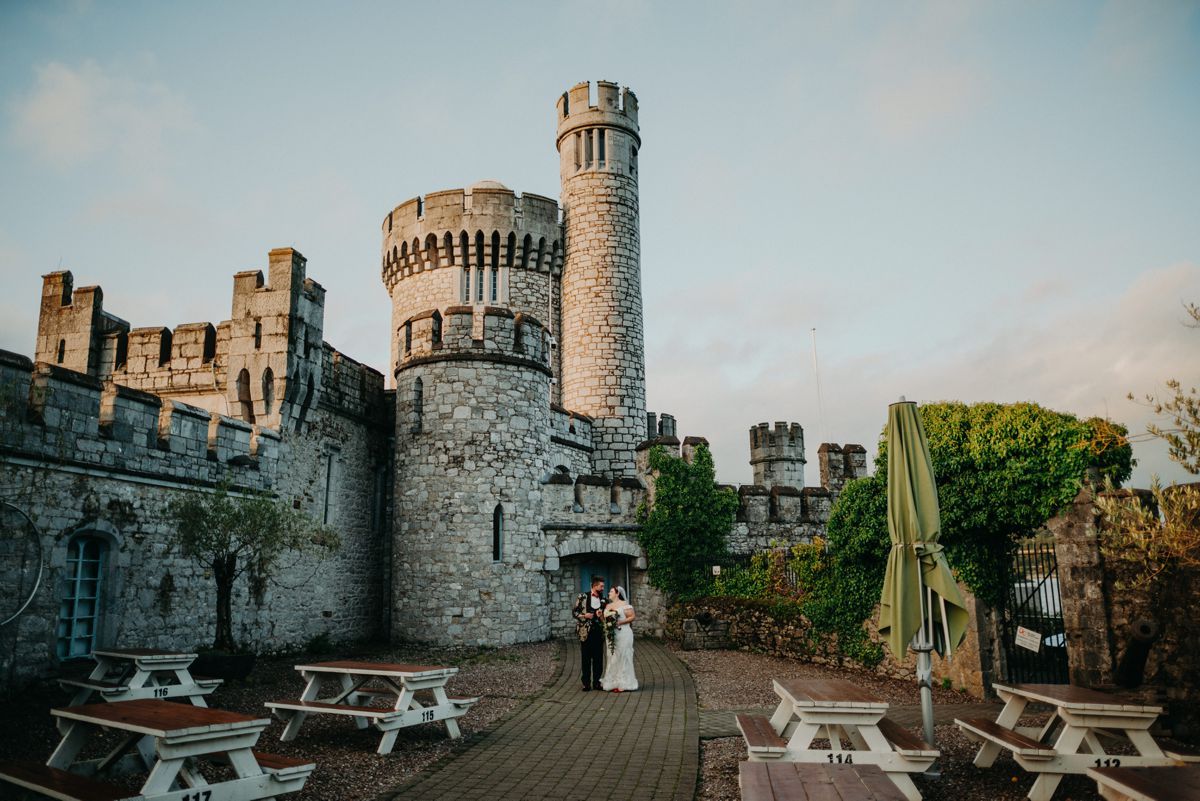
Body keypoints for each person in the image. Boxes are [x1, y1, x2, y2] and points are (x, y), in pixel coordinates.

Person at [599, 586, 638, 692]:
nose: (608, 593)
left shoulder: (624, 604)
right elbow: (605, 622)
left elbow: (632, 616)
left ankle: (624, 683)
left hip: (624, 633)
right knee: (612, 656)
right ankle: (612, 682)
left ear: (617, 593)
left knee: (624, 656)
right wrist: (601, 617)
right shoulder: (608, 605)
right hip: (611, 635)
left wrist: (620, 622)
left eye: (611, 591)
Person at [572, 576, 607, 691]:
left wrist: (601, 615)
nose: (603, 588)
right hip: (585, 632)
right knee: (586, 658)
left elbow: (606, 616)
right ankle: (586, 683)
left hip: (598, 632)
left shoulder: (604, 599)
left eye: (603, 586)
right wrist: (584, 616)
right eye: (601, 586)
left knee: (598, 659)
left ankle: (597, 682)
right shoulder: (582, 597)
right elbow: (575, 612)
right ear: (594, 585)